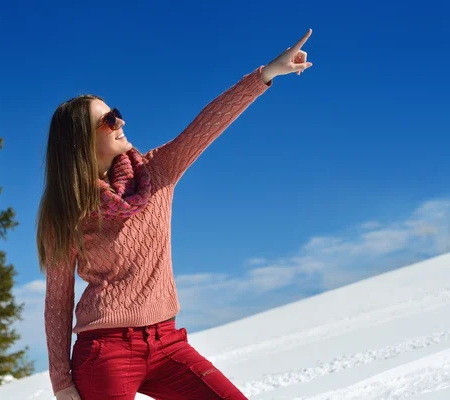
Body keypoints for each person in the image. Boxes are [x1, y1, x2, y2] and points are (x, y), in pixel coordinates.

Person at [37, 29, 313, 400]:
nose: (120, 122)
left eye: (116, 114)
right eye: (108, 121)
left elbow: (204, 126)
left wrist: (264, 75)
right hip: (104, 352)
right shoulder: (67, 211)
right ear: (80, 141)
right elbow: (58, 301)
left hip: (167, 342)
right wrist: (62, 383)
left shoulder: (157, 172)